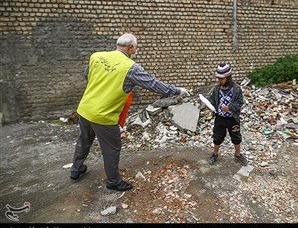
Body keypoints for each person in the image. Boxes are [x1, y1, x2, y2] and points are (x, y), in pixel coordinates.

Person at [70, 33, 190, 191]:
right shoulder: (131, 68)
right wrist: (177, 90)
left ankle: (76, 170)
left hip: (85, 109)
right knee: (112, 149)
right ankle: (113, 182)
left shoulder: (97, 56)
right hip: (104, 116)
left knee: (84, 140)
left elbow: (88, 75)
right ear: (131, 47)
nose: (136, 49)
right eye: (136, 46)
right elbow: (154, 85)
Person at [206, 63, 248, 166]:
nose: (219, 81)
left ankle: (238, 155)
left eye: (222, 78)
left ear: (228, 77)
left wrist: (229, 107)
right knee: (217, 136)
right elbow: (212, 99)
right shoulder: (217, 89)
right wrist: (207, 103)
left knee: (236, 136)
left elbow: (239, 102)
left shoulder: (236, 89)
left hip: (232, 118)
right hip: (220, 118)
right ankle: (215, 154)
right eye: (218, 78)